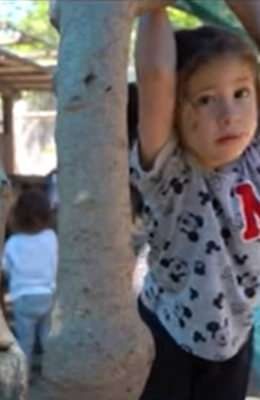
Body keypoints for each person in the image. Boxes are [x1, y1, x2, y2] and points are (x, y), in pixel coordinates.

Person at [132, 4, 260, 399]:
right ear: (173, 112)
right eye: (206, 99)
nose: (229, 114)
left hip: (236, 329)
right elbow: (155, 77)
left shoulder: (254, 154)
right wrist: (152, 9)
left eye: (241, 93)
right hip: (169, 333)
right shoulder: (170, 171)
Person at [2, 188, 58, 382]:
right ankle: (52, 374)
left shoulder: (13, 243)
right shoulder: (51, 238)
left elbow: (6, 269)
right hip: (48, 294)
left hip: (23, 297)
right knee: (48, 340)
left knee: (25, 341)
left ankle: (23, 378)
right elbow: (57, 263)